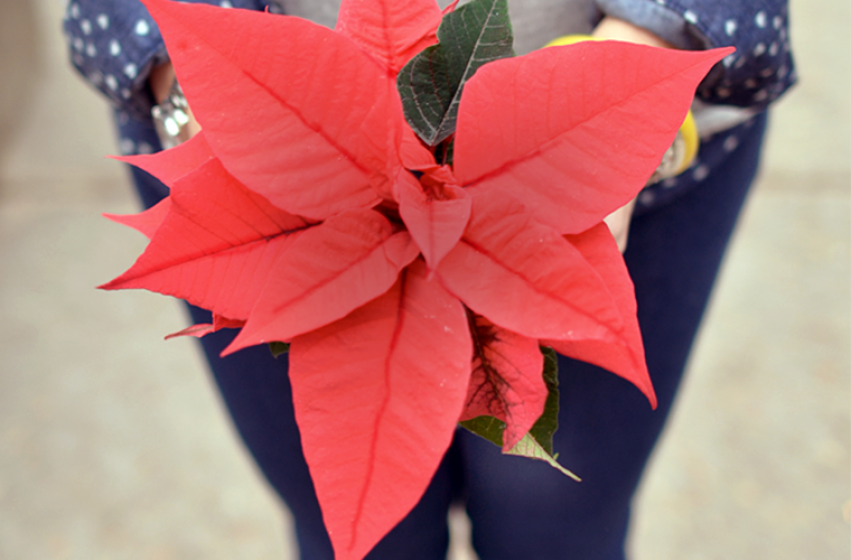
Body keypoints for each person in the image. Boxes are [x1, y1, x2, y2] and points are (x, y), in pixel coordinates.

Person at [64, 1, 795, 558]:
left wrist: (649, 47)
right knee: (356, 530)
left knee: (555, 516)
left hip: (600, 157)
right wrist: (182, 77)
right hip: (259, 175)